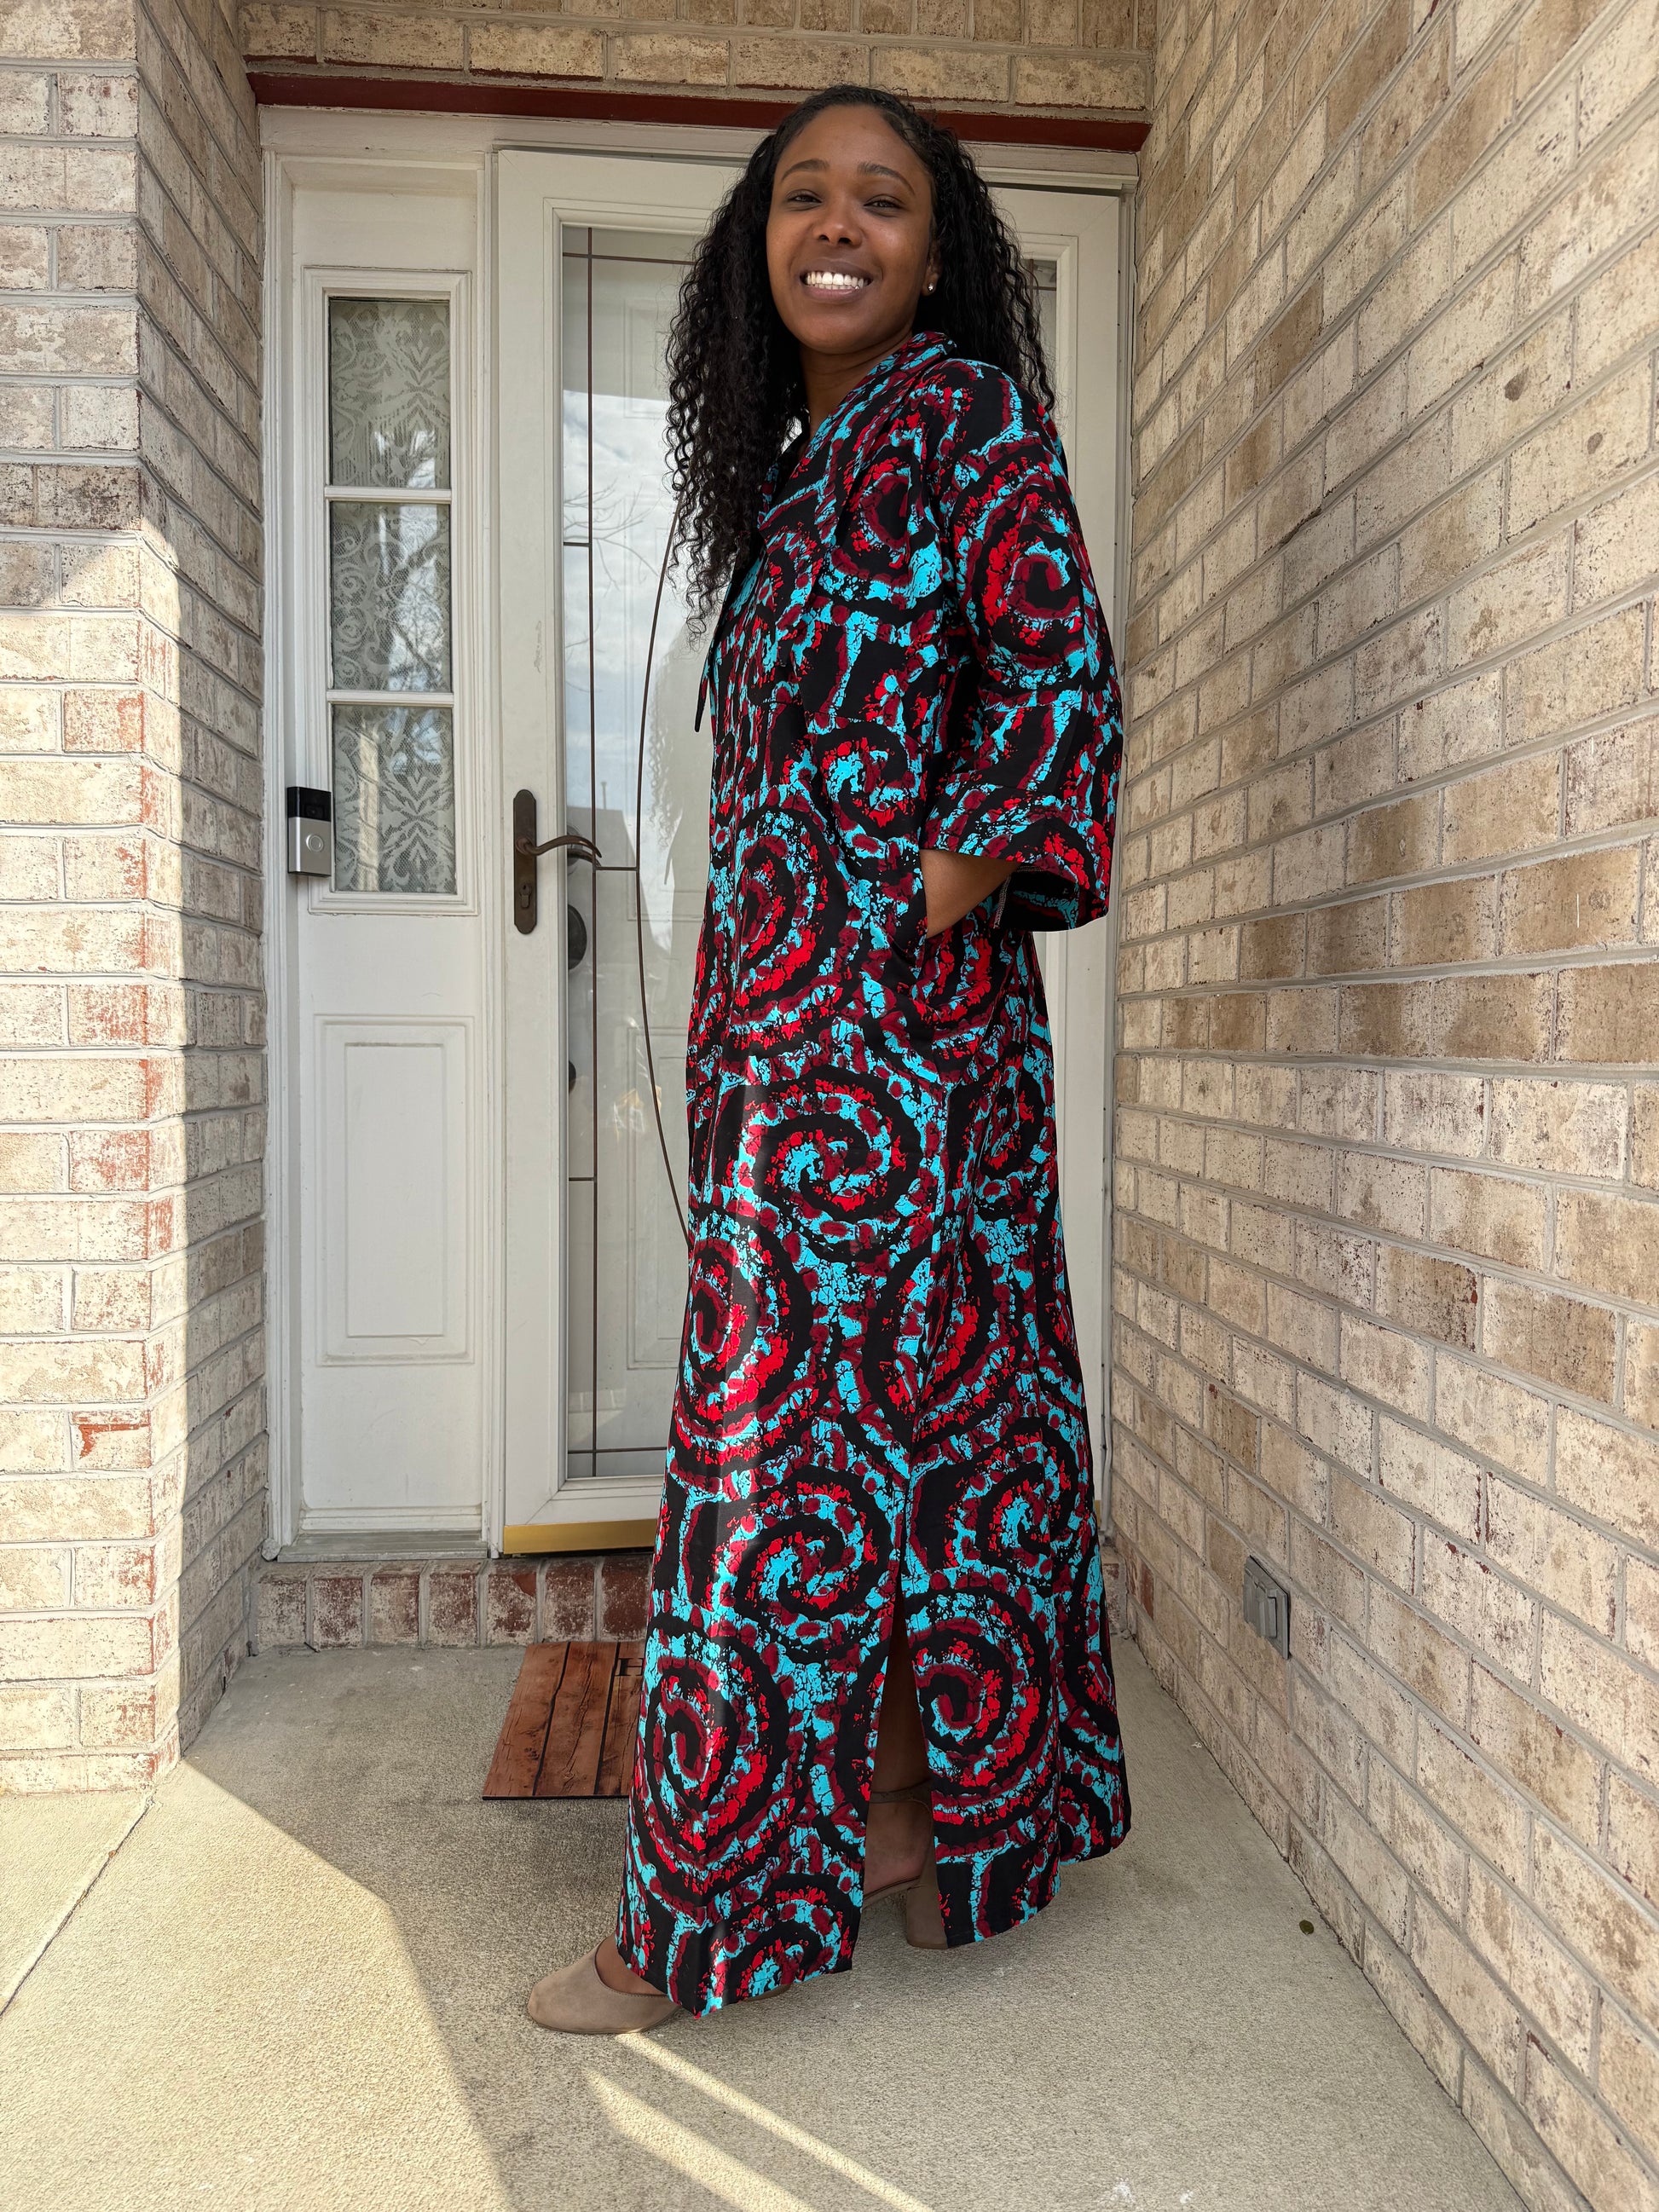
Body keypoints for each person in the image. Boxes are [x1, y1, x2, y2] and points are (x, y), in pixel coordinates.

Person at [529, 83, 1130, 2035]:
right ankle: (926, 1822)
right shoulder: (793, 479)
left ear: (936, 253)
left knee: (775, 1448)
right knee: (928, 1434)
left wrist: (905, 908)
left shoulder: (966, 418)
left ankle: (691, 1922)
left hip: (895, 1043)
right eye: (806, 196)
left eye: (883, 199)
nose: (840, 225)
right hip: (793, 1038)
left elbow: (1057, 681)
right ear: (760, 245)